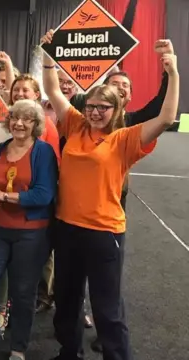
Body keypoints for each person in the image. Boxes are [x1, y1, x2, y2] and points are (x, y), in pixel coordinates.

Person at [42, 30, 180, 360]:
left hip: (104, 233)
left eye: (103, 107)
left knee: (107, 311)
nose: (95, 112)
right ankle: (69, 351)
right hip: (67, 229)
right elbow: (51, 89)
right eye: (91, 106)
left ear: (115, 109)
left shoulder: (125, 139)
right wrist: (48, 53)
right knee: (67, 301)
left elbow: (165, 117)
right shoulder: (74, 125)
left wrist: (173, 71)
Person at [0, 100, 58, 359]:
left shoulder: (43, 152)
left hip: (31, 232)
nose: (19, 123)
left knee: (22, 291)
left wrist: (4, 197)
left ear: (35, 124)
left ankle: (18, 347)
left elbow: (44, 195)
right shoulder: (1, 149)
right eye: (15, 117)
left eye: (27, 119)